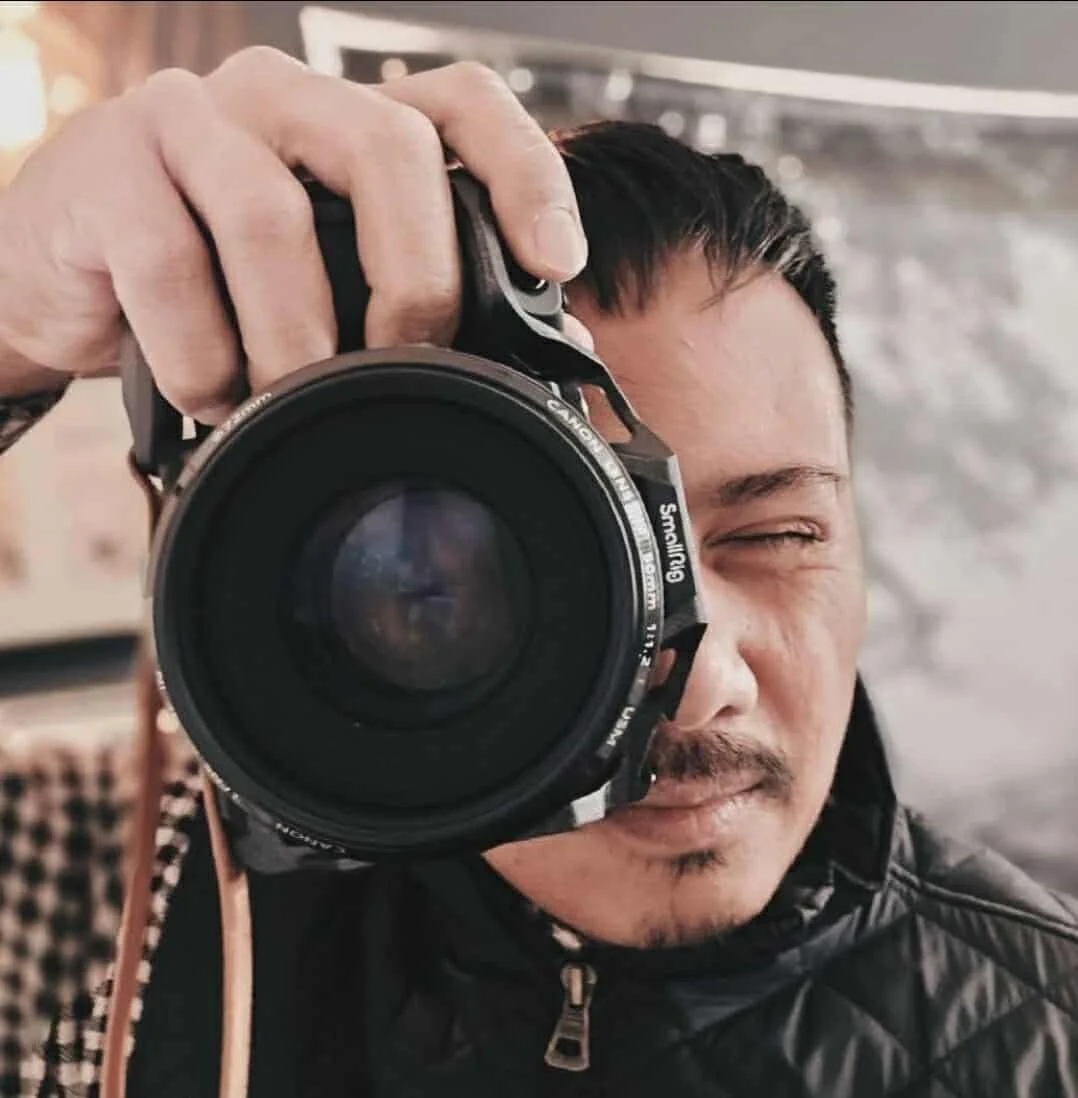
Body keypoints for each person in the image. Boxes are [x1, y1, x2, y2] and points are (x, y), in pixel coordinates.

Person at [0, 46, 1075, 1098]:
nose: (702, 683)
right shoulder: (117, 901)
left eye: (778, 537)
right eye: (474, 572)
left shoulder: (1050, 1034)